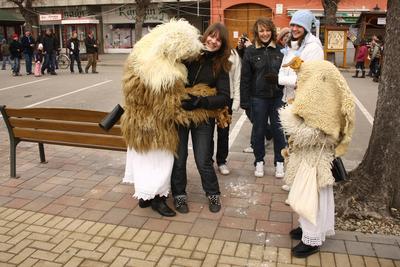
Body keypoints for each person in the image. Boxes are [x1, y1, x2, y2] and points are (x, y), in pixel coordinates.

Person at [120, 19, 205, 217]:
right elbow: (172, 109)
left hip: (137, 123)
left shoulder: (139, 58)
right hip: (156, 127)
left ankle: (144, 198)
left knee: (143, 161)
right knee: (160, 164)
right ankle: (158, 200)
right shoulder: (165, 74)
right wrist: (204, 105)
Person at [279, 59, 355, 258]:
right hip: (308, 160)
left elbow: (309, 134)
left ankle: (312, 239)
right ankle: (308, 230)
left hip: (315, 162)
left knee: (312, 197)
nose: (298, 83)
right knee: (306, 194)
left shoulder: (323, 110)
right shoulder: (313, 103)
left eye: (302, 79)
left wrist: (289, 119)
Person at [171, 22, 231, 214]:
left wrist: (200, 102)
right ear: (205, 35)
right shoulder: (189, 53)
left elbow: (224, 96)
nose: (213, 41)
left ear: (222, 45)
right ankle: (179, 195)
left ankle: (213, 193)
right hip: (180, 113)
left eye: (218, 40)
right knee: (179, 158)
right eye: (211, 36)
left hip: (203, 115)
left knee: (203, 158)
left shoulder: (220, 65)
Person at [278, 9, 324, 191]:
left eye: (299, 26)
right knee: (292, 143)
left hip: (304, 103)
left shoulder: (313, 48)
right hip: (290, 99)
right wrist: (286, 79)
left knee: (303, 145)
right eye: (293, 25)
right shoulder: (294, 45)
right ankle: (294, 179)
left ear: (306, 28)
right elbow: (284, 69)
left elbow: (310, 78)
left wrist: (283, 79)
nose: (295, 28)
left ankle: (302, 184)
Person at [240, 18, 285, 178]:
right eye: (261, 31)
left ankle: (280, 161)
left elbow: (287, 75)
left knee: (279, 130)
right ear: (257, 33)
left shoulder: (281, 50)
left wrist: (279, 81)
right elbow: (245, 78)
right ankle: (259, 161)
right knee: (258, 130)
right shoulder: (251, 51)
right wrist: (245, 102)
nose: (265, 34)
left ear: (272, 31)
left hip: (278, 98)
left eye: (267, 30)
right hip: (258, 98)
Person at [210, 48, 241, 175]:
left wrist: (236, 100)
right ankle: (208, 161)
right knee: (207, 132)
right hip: (209, 97)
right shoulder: (208, 53)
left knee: (224, 131)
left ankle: (221, 161)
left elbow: (237, 78)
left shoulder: (232, 54)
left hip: (226, 98)